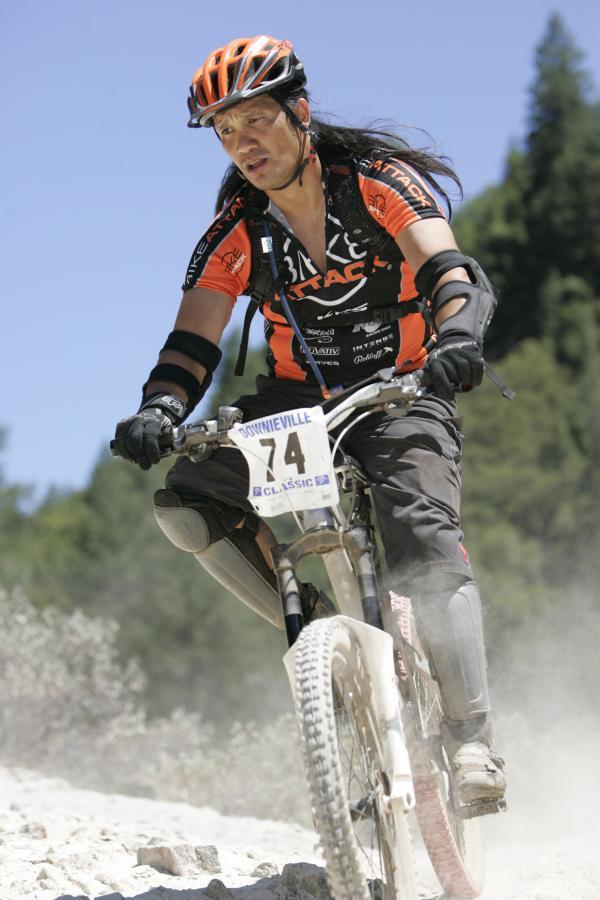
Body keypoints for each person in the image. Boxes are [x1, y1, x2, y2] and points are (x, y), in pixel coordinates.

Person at [112, 35, 506, 810]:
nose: (243, 143)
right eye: (226, 132)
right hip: (298, 406)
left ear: (300, 111)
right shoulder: (238, 228)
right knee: (188, 503)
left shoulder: (377, 185)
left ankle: (472, 742)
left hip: (401, 391)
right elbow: (194, 341)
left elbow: (450, 275)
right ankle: (332, 642)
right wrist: (159, 407)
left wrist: (457, 339)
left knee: (422, 536)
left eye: (256, 119)